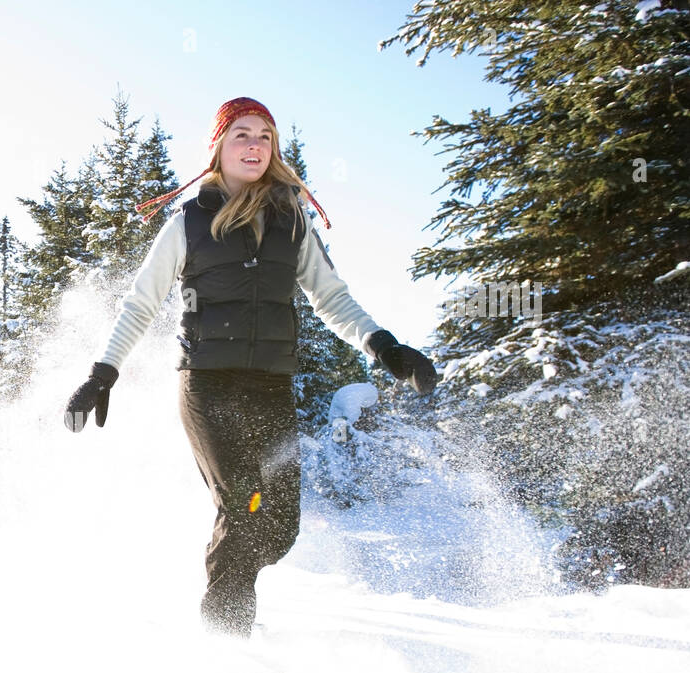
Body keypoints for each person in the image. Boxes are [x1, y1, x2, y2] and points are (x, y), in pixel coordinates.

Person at [64, 96, 437, 638]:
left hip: (269, 386)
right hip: (208, 384)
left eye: (265, 135)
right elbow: (141, 302)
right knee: (243, 504)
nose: (255, 145)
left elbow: (330, 297)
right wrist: (102, 374)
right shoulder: (189, 220)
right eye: (242, 133)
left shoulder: (292, 220)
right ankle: (226, 639)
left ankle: (226, 589)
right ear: (218, 145)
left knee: (278, 528)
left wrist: (386, 348)